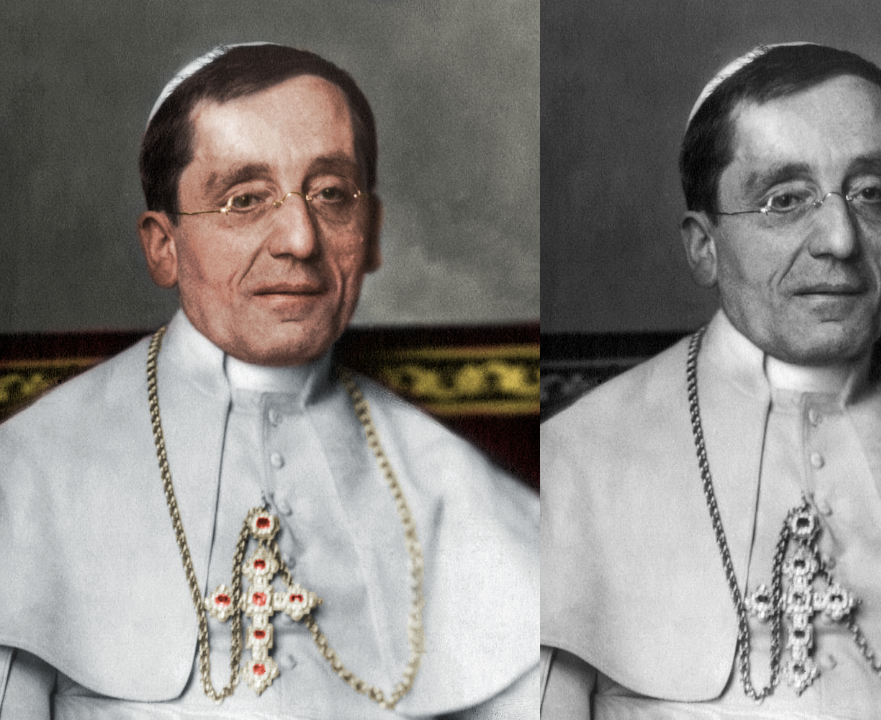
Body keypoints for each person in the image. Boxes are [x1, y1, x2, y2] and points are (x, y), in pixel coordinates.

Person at [540, 43, 881, 719]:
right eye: (784, 200)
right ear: (704, 246)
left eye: (872, 194)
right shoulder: (572, 473)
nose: (840, 240)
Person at [0, 44, 538, 718]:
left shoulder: (456, 490)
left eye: (332, 195)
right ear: (163, 246)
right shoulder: (26, 476)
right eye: (245, 199)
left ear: (369, 235)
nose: (301, 240)